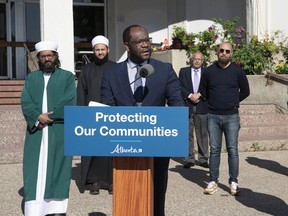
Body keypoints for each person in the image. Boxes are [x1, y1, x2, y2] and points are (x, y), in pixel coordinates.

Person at [101, 24, 184, 216]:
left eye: (147, 40)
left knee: (156, 198)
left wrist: (176, 123)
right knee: (127, 198)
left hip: (158, 146)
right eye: (139, 42)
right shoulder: (111, 74)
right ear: (127, 46)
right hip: (124, 146)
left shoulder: (164, 70)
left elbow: (177, 103)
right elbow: (107, 108)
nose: (146, 45)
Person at [21, 41, 76, 216]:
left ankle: (56, 208)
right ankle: (35, 209)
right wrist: (38, 116)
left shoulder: (67, 77)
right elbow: (26, 101)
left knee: (59, 168)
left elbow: (70, 100)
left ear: (56, 57)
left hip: (58, 129)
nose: (47, 59)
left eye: (50, 55)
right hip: (36, 131)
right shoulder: (31, 78)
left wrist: (50, 116)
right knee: (34, 168)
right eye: (43, 56)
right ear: (38, 58)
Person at [195, 42, 250, 196]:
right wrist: (213, 101)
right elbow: (202, 91)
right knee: (214, 150)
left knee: (233, 150)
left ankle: (234, 181)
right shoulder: (209, 72)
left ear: (231, 54)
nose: (224, 53)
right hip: (213, 116)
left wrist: (233, 101)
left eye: (227, 51)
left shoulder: (238, 72)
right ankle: (213, 180)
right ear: (217, 52)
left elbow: (245, 91)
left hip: (232, 116)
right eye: (221, 50)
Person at [77, 35, 115, 195]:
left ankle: (112, 181)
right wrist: (81, 114)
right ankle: (94, 181)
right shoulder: (86, 69)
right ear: (93, 51)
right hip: (91, 115)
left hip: (112, 115)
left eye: (102, 49)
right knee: (93, 148)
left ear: (108, 50)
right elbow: (81, 93)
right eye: (97, 50)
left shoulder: (116, 68)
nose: (100, 52)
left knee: (111, 149)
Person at [179, 52, 209, 169]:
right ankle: (189, 159)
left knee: (202, 133)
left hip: (202, 105)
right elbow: (179, 86)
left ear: (203, 61)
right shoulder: (184, 71)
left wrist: (199, 95)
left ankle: (203, 159)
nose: (197, 61)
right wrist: (190, 95)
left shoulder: (207, 72)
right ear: (191, 60)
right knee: (187, 134)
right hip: (187, 105)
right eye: (195, 59)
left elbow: (209, 87)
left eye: (199, 59)